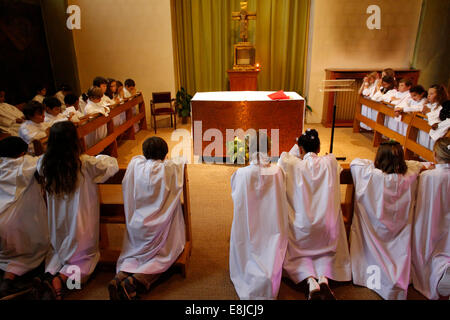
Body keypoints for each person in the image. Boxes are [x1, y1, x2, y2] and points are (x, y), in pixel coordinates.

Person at [34, 121, 118, 300]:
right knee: (84, 256)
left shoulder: (44, 163)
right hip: (80, 220)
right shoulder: (84, 163)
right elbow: (111, 165)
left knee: (58, 251)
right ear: (75, 140)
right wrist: (103, 157)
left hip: (58, 222)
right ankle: (62, 280)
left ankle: (48, 276)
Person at [109, 137, 186, 300]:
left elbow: (138, 158)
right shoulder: (169, 169)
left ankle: (120, 277)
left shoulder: (136, 165)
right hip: (159, 229)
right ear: (165, 154)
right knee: (164, 255)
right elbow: (180, 161)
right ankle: (135, 281)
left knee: (134, 256)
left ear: (144, 153)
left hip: (137, 228)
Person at [278, 129, 351, 300]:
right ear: (319, 149)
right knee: (325, 250)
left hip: (302, 227)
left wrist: (299, 148)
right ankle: (324, 279)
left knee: (298, 245)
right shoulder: (330, 162)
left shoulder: (292, 163)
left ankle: (310, 281)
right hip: (326, 226)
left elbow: (287, 156)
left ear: (300, 149)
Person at [350, 141, 426, 300]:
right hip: (398, 231)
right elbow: (416, 164)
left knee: (373, 252)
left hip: (375, 229)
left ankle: (373, 279)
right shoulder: (410, 177)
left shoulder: (370, 175)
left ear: (379, 159)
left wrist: (376, 165)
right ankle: (393, 282)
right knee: (397, 252)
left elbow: (355, 162)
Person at [229, 133, 289, 300]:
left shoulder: (241, 174)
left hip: (249, 226)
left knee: (247, 239)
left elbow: (237, 199)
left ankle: (251, 275)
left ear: (248, 149)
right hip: (272, 225)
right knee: (271, 244)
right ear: (268, 148)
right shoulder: (278, 171)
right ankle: (268, 275)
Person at [0, 137, 49, 299]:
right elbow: (47, 162)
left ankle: (8, 278)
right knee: (30, 251)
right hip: (18, 224)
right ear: (22, 153)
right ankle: (11, 280)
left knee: (6, 254)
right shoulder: (26, 163)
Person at [411, 137, 450, 300]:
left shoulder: (428, 176)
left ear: (435, 155)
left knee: (428, 249)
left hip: (430, 220)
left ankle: (436, 276)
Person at [418, 85, 449, 150]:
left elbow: (434, 123)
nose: (428, 96)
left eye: (431, 94)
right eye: (428, 93)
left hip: (435, 135)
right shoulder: (429, 105)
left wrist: (428, 113)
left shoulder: (442, 107)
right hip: (425, 132)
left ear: (439, 95)